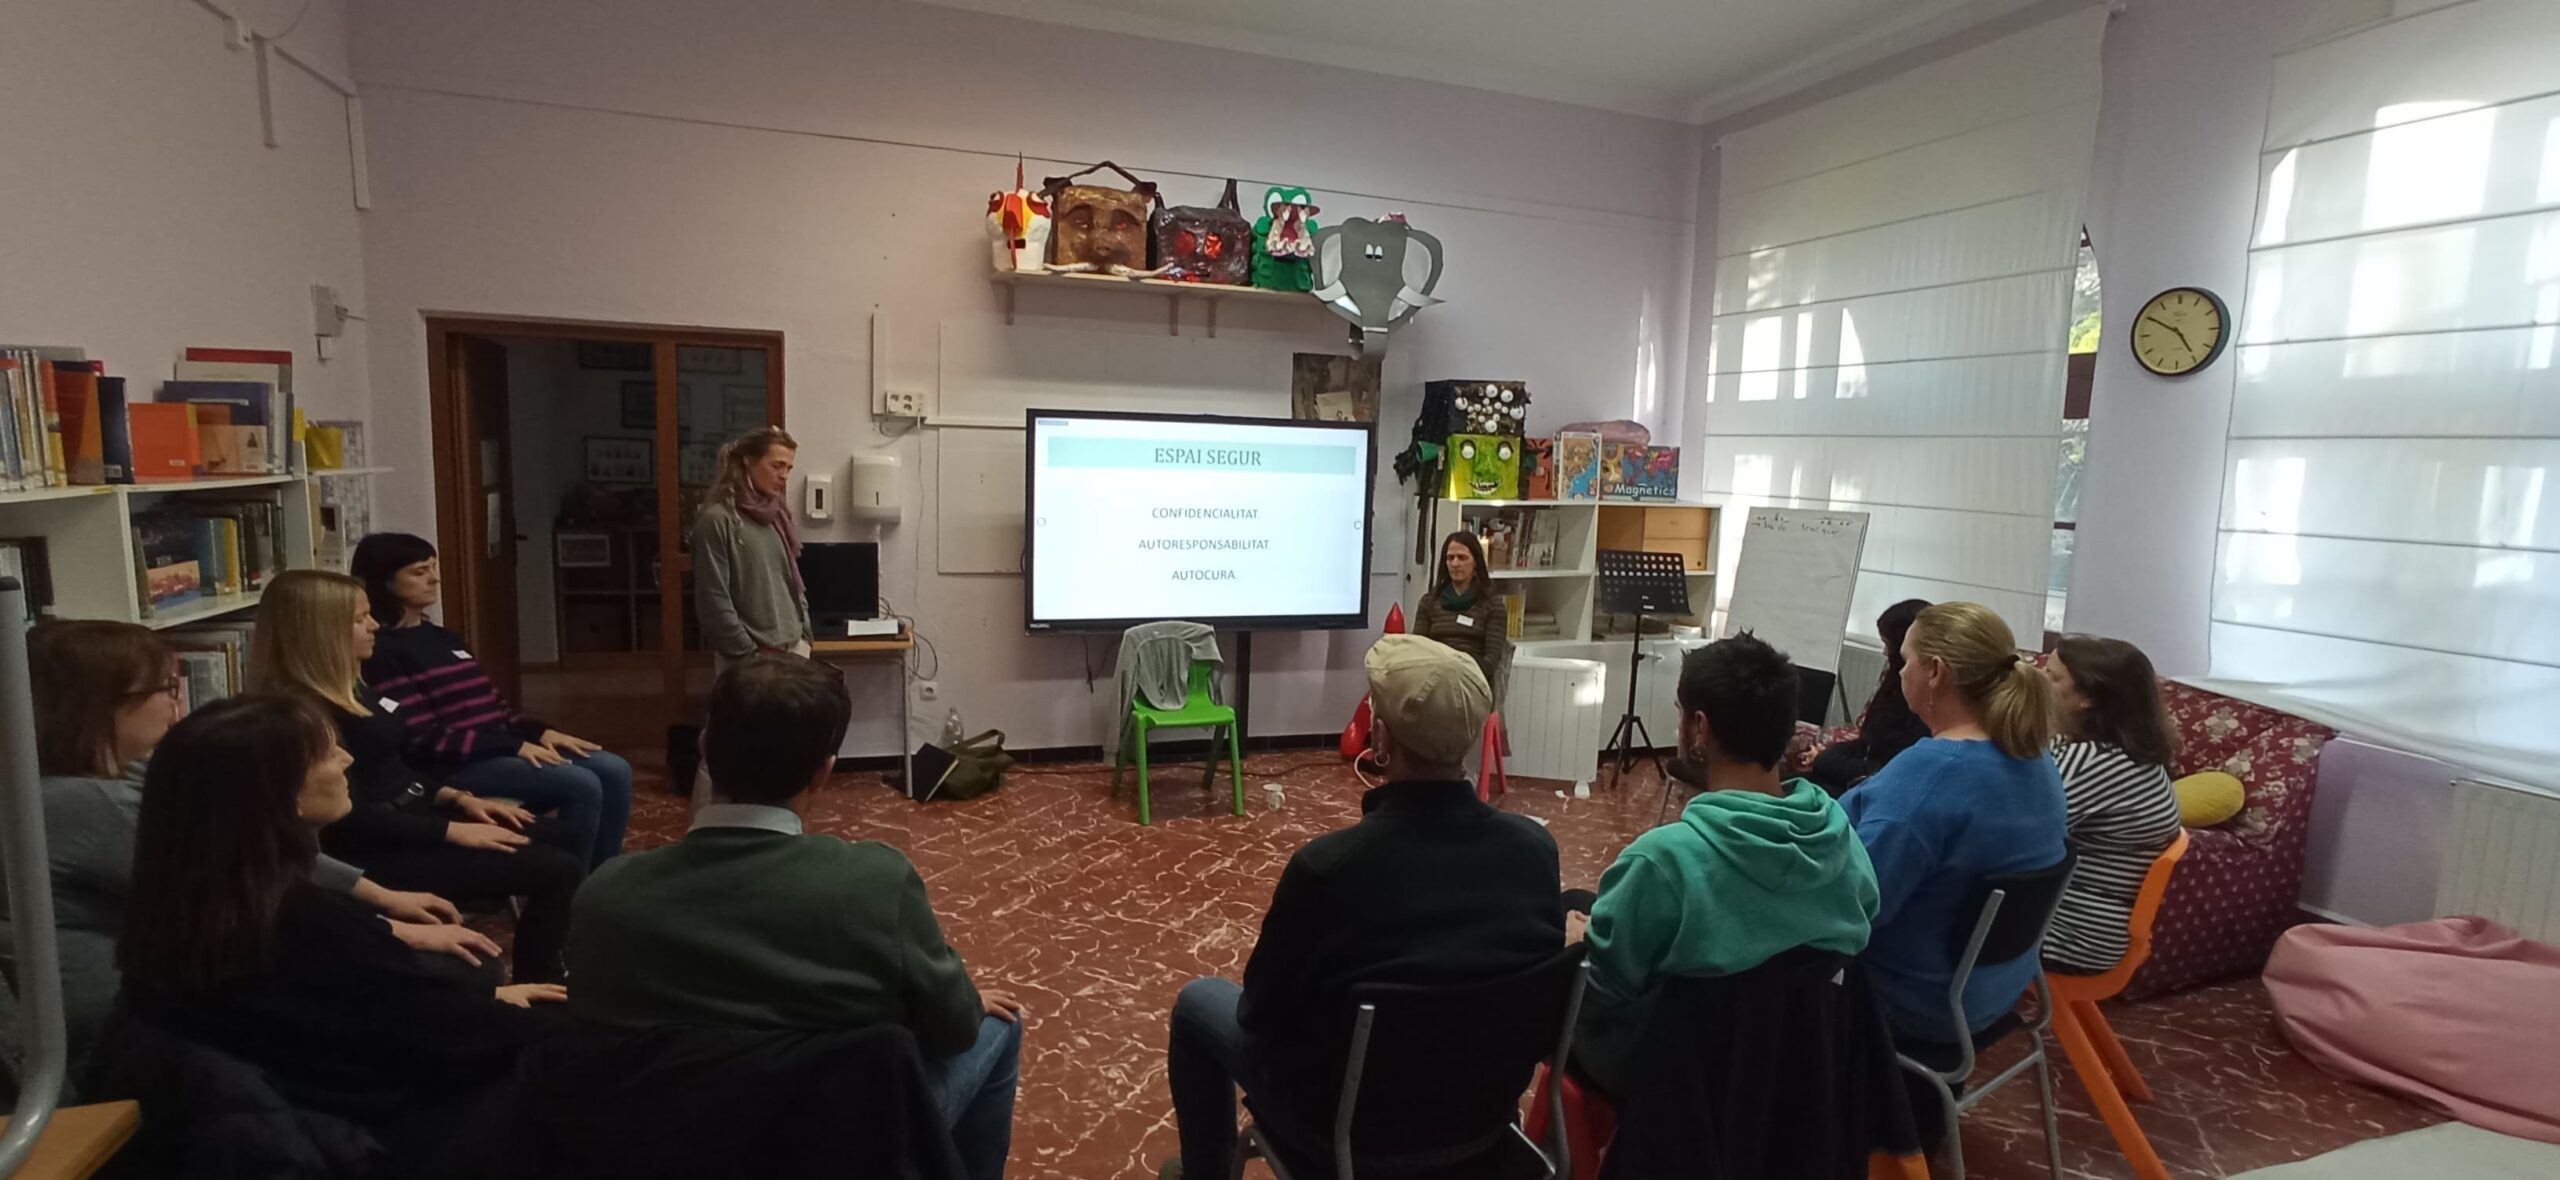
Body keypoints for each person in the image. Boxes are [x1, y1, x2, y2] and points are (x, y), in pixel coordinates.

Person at [567, 655, 1023, 1180]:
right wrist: (967, 1003)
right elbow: (954, 1032)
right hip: (833, 1147)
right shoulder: (876, 883)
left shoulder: (605, 896)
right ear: (824, 772)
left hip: (664, 1146)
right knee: (999, 1027)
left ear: (704, 749)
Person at [21, 620, 497, 1086]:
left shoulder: (122, 775)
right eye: (163, 688)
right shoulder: (82, 802)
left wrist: (382, 903)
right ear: (100, 703)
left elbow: (246, 848)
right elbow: (241, 876)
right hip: (133, 1029)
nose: (176, 700)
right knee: (437, 990)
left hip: (184, 990)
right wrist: (395, 931)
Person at [1159, 635, 1565, 1180]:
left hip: (1347, 1142)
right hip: (1482, 1132)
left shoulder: (1327, 869)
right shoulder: (1535, 851)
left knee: (1196, 1005)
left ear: (1382, 738)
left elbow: (1260, 1016)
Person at [116, 693, 568, 1176]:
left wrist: (491, 999)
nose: (348, 760)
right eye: (329, 753)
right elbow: (447, 1035)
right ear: (282, 792)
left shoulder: (175, 907)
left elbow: (389, 1011)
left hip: (309, 1112)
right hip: (378, 1133)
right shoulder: (302, 922)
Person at [1570, 634, 1879, 1098]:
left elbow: (1605, 991)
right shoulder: (1844, 841)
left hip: (1679, 1077)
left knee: (1567, 931)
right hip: (1795, 1067)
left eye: (1679, 711)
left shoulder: (1663, 861)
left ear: (1699, 727)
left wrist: (1581, 946)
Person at [251, 570, 587, 983]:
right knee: (555, 868)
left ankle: (555, 955)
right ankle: (540, 980)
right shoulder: (299, 718)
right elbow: (350, 821)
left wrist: (459, 799)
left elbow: (394, 770)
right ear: (320, 633)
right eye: (359, 619)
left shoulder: (354, 687)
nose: (374, 625)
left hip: (412, 816)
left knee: (565, 835)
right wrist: (451, 832)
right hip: (374, 847)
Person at [1840, 601, 2066, 1135]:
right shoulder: (2035, 758)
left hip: (1913, 1001)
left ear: (1935, 672)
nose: (1899, 672)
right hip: (1992, 992)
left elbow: (1853, 909)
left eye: (1906, 660)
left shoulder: (1932, 773)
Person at [352, 532, 633, 868]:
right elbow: (420, 737)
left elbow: (494, 709)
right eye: (419, 571)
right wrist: (511, 746)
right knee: (581, 783)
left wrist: (539, 732)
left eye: (434, 567)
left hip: (492, 748)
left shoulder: (444, 638)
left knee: (614, 768)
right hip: (452, 764)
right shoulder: (382, 651)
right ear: (385, 582)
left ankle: (605, 871)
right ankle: (577, 881)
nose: (434, 578)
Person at [2041, 635, 2185, 974]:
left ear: (2088, 698)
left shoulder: (2092, 761)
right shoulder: (2133, 753)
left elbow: (2020, 835)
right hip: (2094, 926)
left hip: (2074, 934)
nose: (2038, 681)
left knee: (1928, 912)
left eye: (2052, 677)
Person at [690, 425, 812, 806]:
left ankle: (774, 825)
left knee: (784, 751)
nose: (784, 476)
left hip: (791, 649)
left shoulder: (776, 517)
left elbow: (792, 582)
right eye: (777, 465)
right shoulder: (717, 521)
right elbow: (713, 599)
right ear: (747, 462)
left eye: (789, 468)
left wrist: (804, 634)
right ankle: (708, 827)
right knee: (723, 748)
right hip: (747, 657)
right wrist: (746, 653)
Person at [1808, 598, 1933, 795]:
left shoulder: (1921, 707)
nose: (1884, 652)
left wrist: (1825, 759)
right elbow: (1868, 742)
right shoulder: (1894, 683)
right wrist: (1828, 755)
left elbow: (1886, 773)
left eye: (1887, 643)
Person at [1408, 530, 1506, 691]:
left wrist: (1458, 668)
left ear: (1475, 562)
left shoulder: (1492, 605)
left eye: (1462, 557)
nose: (1455, 563)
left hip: (1473, 682)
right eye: (1450, 558)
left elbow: (1490, 662)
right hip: (1433, 681)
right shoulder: (1429, 602)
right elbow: (1419, 650)